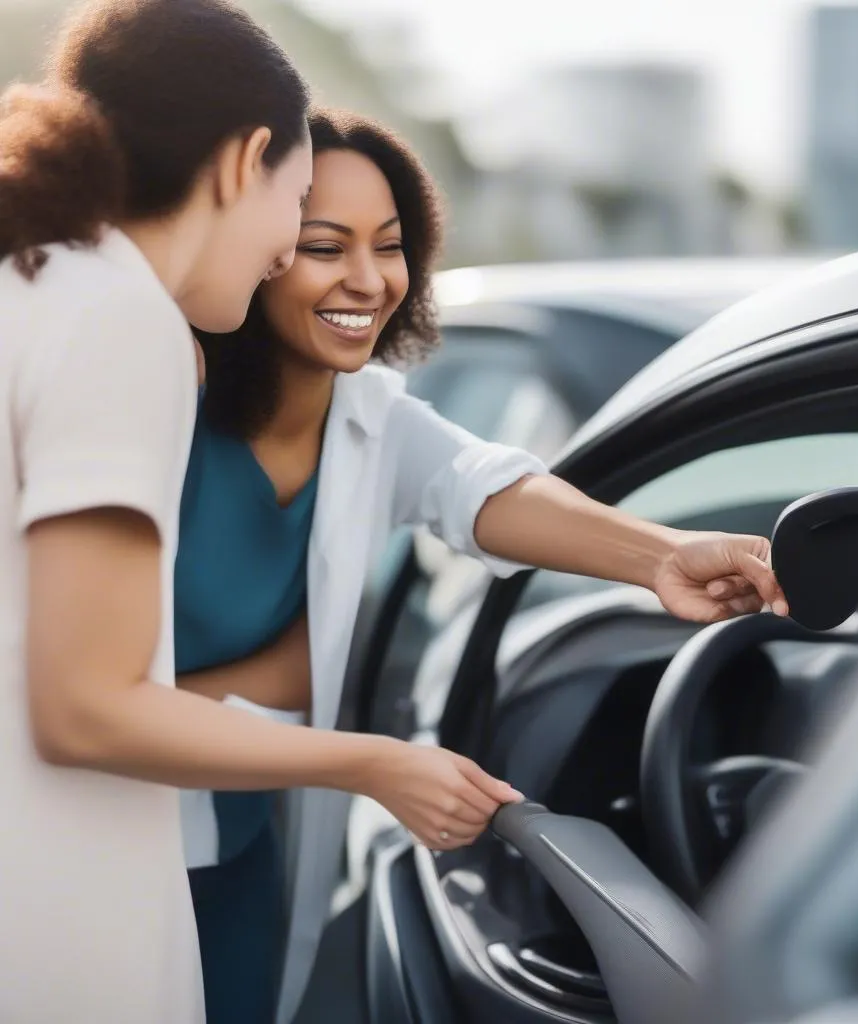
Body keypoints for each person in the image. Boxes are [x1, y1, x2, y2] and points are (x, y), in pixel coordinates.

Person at [184, 107, 791, 1024]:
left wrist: (665, 554)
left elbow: (484, 489)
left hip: (241, 846)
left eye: (390, 246)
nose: (367, 279)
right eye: (324, 245)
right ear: (257, 248)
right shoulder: (159, 416)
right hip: (94, 837)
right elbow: (96, 700)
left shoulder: (369, 415)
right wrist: (367, 758)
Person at [0, 2, 517, 1022]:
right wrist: (375, 763)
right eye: (300, 209)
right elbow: (85, 706)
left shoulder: (37, 282)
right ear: (247, 163)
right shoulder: (122, 320)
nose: (285, 252)